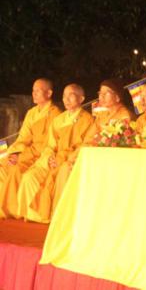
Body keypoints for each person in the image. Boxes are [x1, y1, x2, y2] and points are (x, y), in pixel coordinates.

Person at [15, 84, 93, 222]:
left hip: (69, 160)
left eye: (71, 96)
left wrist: (63, 159)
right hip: (53, 160)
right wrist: (49, 158)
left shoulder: (88, 120)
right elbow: (50, 145)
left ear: (81, 99)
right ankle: (34, 215)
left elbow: (84, 146)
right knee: (30, 177)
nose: (66, 99)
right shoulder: (58, 120)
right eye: (64, 96)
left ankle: (52, 216)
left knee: (59, 175)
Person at [53, 79, 134, 197]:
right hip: (93, 155)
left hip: (109, 160)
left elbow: (118, 145)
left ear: (117, 97)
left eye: (106, 93)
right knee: (66, 165)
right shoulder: (102, 115)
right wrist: (74, 156)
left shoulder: (124, 116)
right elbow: (88, 140)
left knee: (67, 169)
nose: (101, 96)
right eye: (100, 93)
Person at [0, 79, 62, 219]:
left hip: (39, 157)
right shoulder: (31, 113)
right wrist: (13, 153)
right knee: (3, 165)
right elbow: (23, 138)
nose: (34, 94)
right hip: (27, 153)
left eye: (38, 91)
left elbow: (47, 145)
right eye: (33, 90)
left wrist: (21, 157)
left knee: (16, 168)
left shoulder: (55, 114)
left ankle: (11, 209)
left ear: (49, 93)